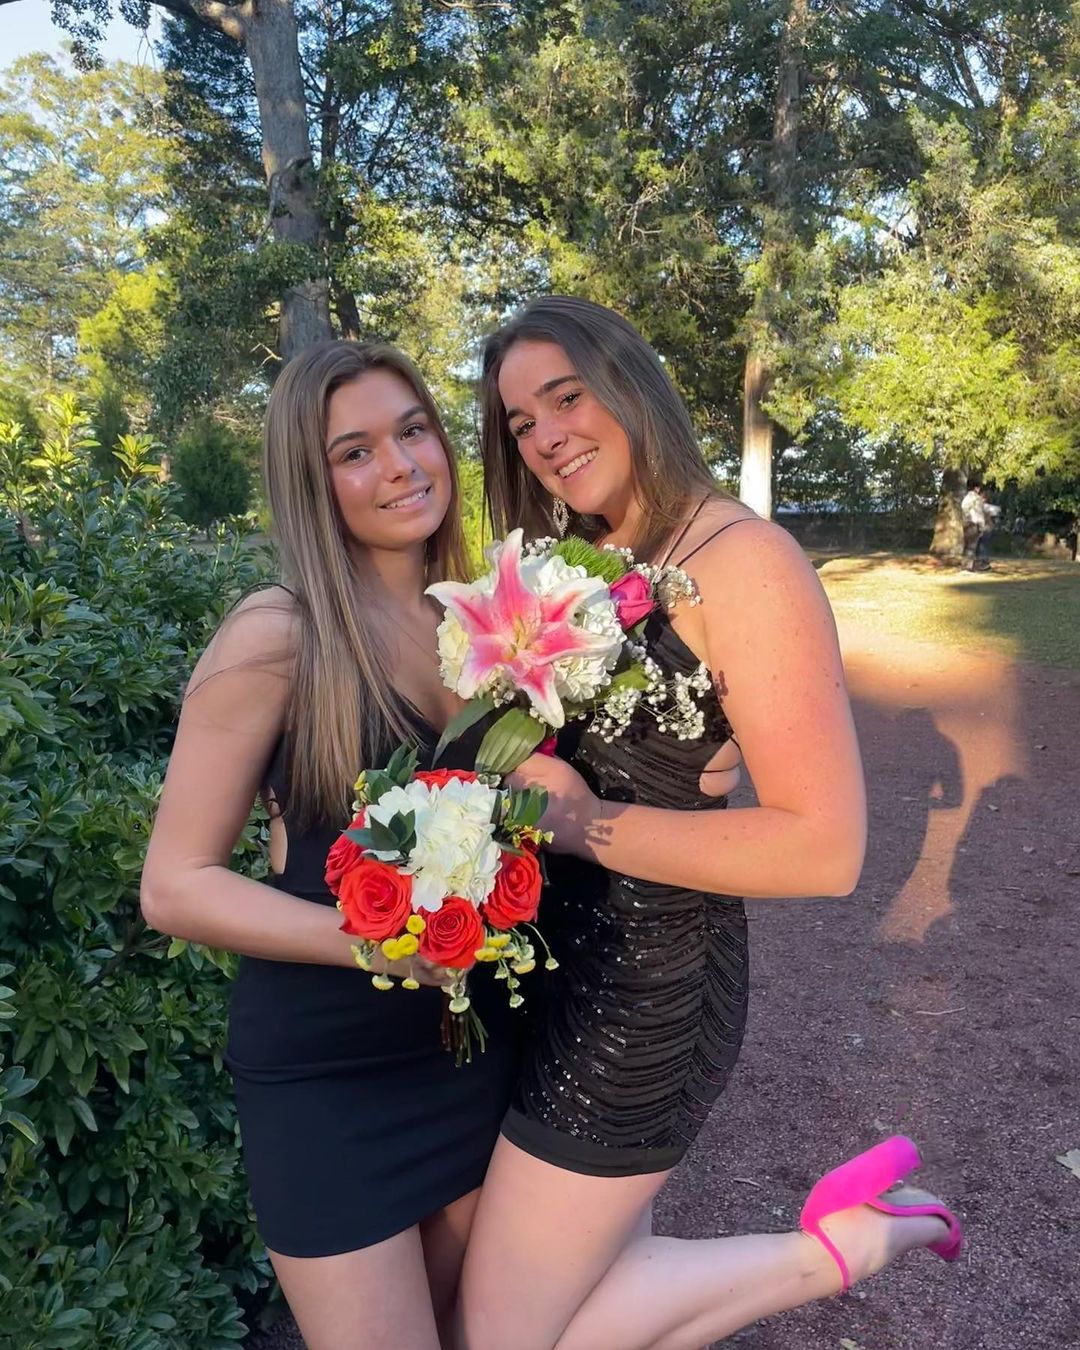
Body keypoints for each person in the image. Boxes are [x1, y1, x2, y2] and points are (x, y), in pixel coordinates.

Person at [454, 296, 962, 1350]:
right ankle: (844, 1242)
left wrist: (585, 822)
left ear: (631, 384)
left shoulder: (745, 562)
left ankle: (841, 1248)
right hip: (553, 974)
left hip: (645, 992)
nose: (546, 436)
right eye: (520, 422)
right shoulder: (588, 557)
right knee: (582, 1306)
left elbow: (825, 848)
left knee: (501, 1336)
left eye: (566, 396)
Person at [140, 342, 524, 1350]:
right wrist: (380, 946)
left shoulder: (480, 623)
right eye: (354, 452)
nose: (400, 465)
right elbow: (174, 886)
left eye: (412, 430)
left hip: (472, 1056)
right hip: (327, 1079)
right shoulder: (279, 633)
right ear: (312, 484)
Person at [960, 480, 988, 570]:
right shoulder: (976, 498)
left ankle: (966, 564)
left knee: (968, 545)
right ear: (976, 488)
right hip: (974, 523)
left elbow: (964, 507)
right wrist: (981, 526)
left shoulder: (968, 497)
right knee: (972, 545)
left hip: (967, 523)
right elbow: (979, 513)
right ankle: (968, 566)